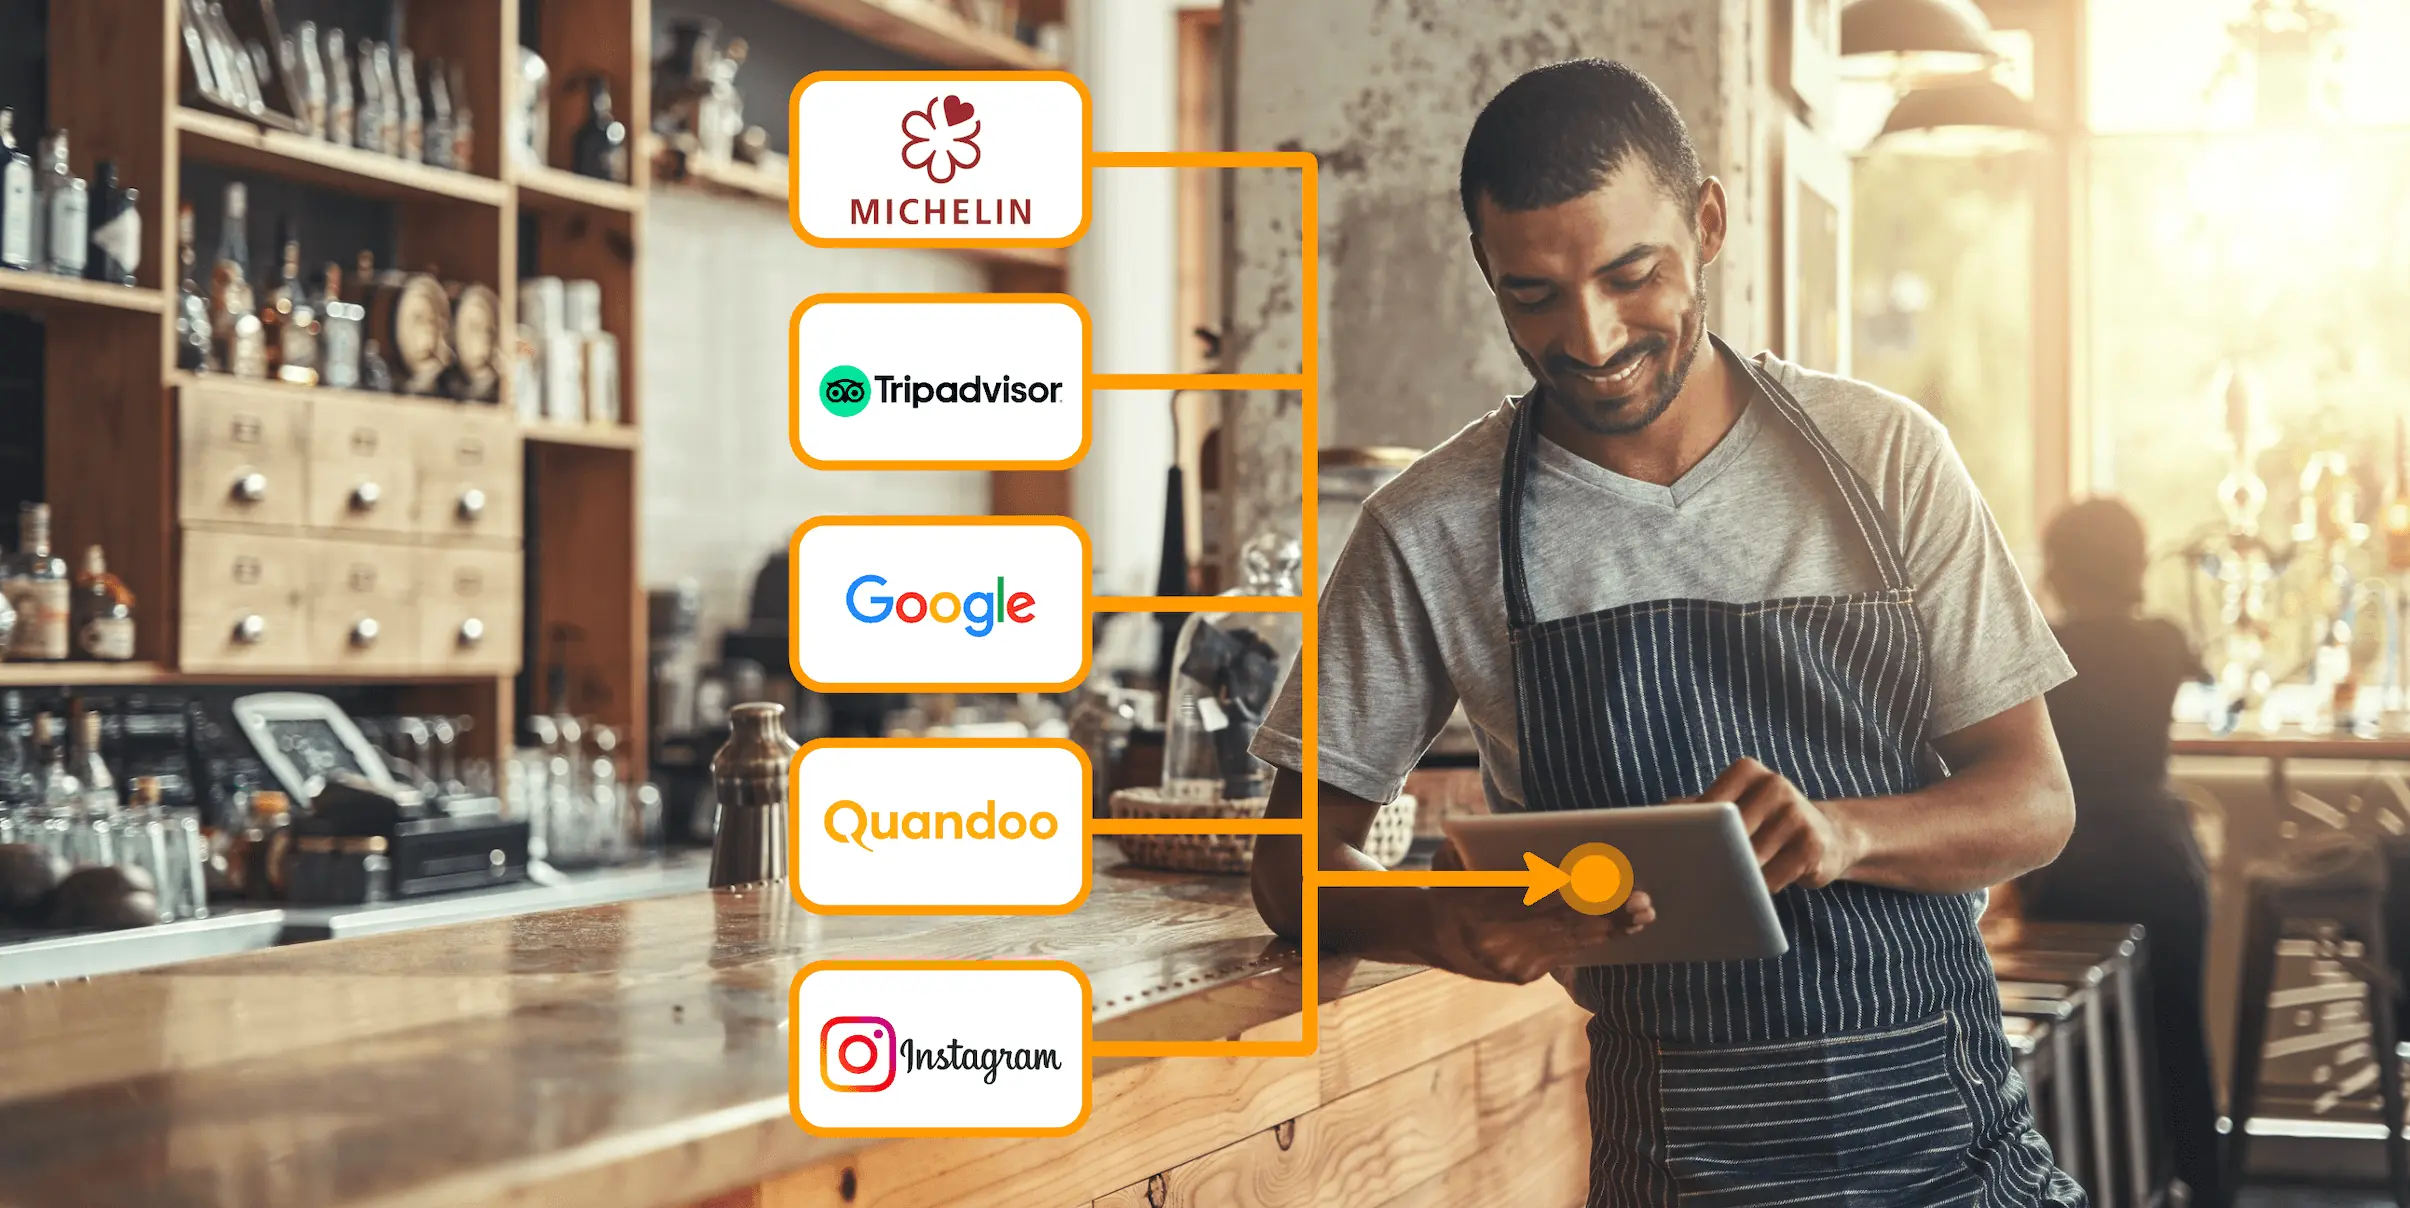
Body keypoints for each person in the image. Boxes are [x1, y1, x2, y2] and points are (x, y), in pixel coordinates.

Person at [1246, 59, 2086, 1206]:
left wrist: (1842, 832)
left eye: (1629, 275)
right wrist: (1437, 921)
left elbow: (2035, 799)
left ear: (1708, 221)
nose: (1588, 337)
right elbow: (1291, 862)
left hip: (1955, 1150)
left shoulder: (1885, 457)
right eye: (1530, 294)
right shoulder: (1429, 527)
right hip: (1679, 1168)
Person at [2021, 497, 2221, 1206]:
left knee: (2087, 1052)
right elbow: (2211, 676)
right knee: (2180, 1039)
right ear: (2135, 564)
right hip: (2162, 863)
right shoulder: (2164, 640)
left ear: (2061, 567)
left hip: (2071, 867)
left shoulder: (2041, 643)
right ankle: (2204, 1185)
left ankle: (2090, 1181)